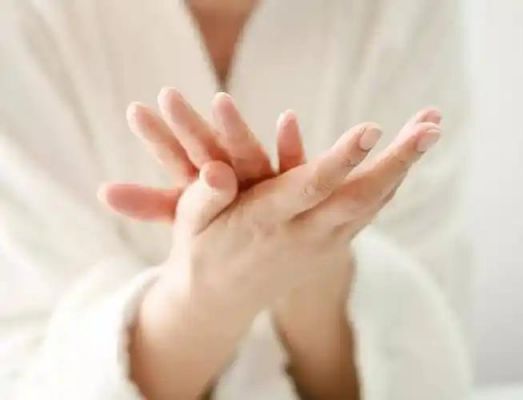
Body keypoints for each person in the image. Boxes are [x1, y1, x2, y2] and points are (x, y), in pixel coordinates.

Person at [0, 0, 471, 398]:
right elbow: (24, 366)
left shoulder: (403, 12)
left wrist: (316, 274)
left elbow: (428, 364)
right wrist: (201, 304)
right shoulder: (23, 22)